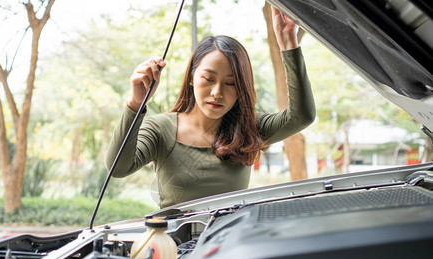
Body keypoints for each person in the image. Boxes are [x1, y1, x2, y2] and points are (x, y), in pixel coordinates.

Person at [106, 7, 315, 209]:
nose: (217, 92)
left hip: (231, 242)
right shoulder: (160, 128)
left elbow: (302, 116)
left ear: (241, 88)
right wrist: (135, 103)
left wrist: (289, 43)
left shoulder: (249, 127)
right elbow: (117, 168)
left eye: (230, 83)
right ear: (191, 78)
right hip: (173, 243)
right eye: (208, 78)